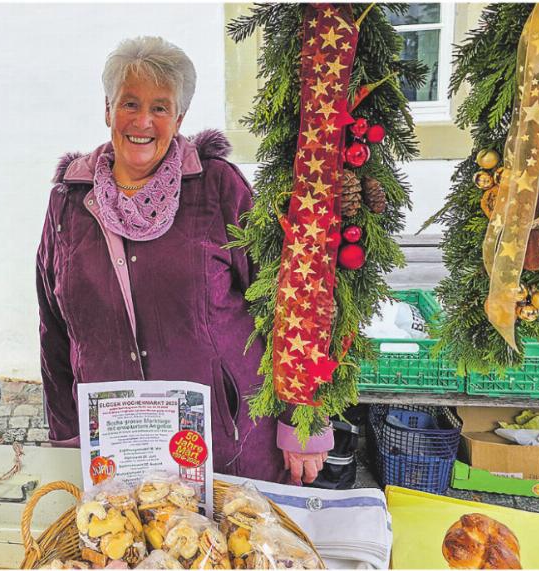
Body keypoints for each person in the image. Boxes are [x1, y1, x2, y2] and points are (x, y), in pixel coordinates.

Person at [36, 36, 334, 484]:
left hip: (227, 441)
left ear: (179, 118)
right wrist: (66, 433)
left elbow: (285, 303)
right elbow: (54, 327)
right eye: (130, 103)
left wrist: (303, 420)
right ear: (108, 109)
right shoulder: (68, 202)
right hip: (120, 449)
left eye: (160, 107)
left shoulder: (218, 188)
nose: (142, 121)